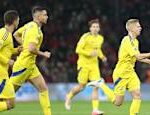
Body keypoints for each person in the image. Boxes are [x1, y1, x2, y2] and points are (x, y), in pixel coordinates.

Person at [87, 19, 150, 115]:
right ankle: (101, 84)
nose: (140, 28)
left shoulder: (135, 41)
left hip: (131, 73)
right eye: (138, 26)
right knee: (118, 102)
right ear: (131, 28)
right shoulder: (126, 40)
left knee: (137, 95)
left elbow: (137, 57)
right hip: (121, 74)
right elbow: (138, 56)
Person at [9, 6, 51, 115]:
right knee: (7, 96)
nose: (47, 17)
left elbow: (16, 34)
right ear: (38, 16)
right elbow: (32, 49)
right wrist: (44, 54)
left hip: (31, 66)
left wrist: (24, 45)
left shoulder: (29, 25)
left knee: (43, 89)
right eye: (45, 15)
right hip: (23, 66)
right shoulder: (33, 29)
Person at [65, 19, 107, 115]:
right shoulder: (85, 37)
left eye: (97, 27)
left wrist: (102, 56)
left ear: (99, 28)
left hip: (94, 65)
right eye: (93, 27)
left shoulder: (100, 38)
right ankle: (69, 96)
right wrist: (89, 53)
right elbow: (78, 49)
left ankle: (95, 110)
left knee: (96, 86)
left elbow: (98, 50)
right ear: (90, 28)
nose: (95, 29)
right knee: (81, 86)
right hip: (83, 65)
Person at [0, 10, 21, 111]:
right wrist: (7, 61)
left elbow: (7, 50)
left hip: (3, 72)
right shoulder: (4, 33)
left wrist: (17, 50)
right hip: (1, 73)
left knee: (7, 102)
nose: (18, 22)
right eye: (18, 20)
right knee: (11, 103)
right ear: (14, 21)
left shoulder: (8, 35)